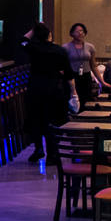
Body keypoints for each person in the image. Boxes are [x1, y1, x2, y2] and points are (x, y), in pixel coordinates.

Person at [24, 22, 77, 158]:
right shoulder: (59, 50)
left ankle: (38, 148)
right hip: (54, 88)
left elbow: (22, 41)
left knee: (36, 119)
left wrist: (34, 29)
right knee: (53, 120)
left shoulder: (33, 48)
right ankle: (52, 153)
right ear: (49, 35)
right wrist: (73, 92)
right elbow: (68, 73)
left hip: (35, 88)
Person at [65, 22, 100, 108]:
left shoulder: (90, 47)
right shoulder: (66, 47)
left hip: (86, 76)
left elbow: (93, 65)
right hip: (72, 76)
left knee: (86, 100)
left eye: (82, 31)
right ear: (72, 33)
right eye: (77, 31)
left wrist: (102, 81)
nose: (80, 33)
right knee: (73, 101)